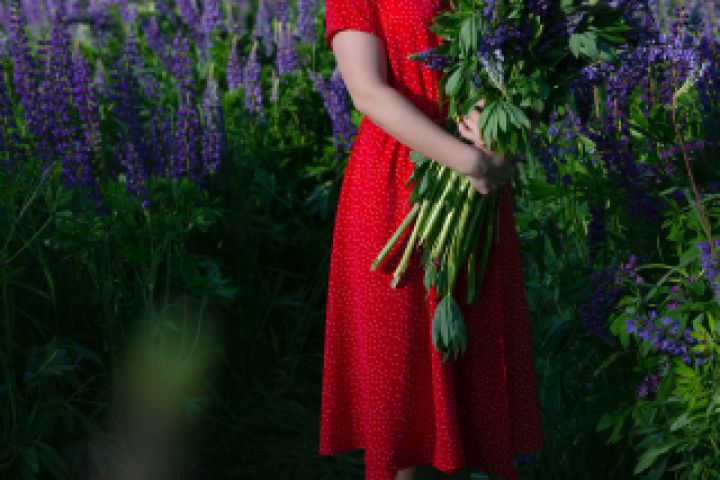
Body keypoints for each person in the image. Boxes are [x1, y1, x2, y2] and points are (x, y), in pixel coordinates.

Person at [318, 0, 545, 479]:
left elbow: (522, 56)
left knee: (465, 381)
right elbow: (367, 92)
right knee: (403, 391)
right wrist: (470, 163)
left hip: (478, 187)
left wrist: (501, 125)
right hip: (396, 184)